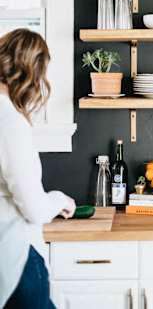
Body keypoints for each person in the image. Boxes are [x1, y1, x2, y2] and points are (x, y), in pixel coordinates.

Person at [0, 29, 76, 308]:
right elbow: (32, 207)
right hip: (15, 256)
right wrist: (59, 200)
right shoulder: (10, 122)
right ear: (31, 71)